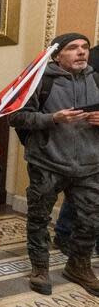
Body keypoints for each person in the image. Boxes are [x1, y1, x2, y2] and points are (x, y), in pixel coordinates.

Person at [9, 33, 99, 297]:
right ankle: (40, 268)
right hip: (47, 162)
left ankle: (78, 266)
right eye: (73, 48)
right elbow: (15, 116)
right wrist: (52, 118)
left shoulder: (96, 78)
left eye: (84, 48)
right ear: (58, 55)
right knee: (39, 217)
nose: (81, 52)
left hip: (90, 165)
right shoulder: (40, 80)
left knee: (91, 220)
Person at [53, 43, 99, 256]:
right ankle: (63, 234)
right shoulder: (94, 57)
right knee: (79, 192)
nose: (81, 52)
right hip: (82, 140)